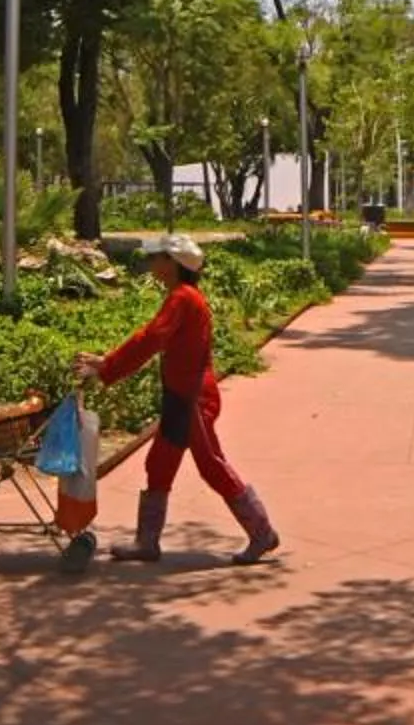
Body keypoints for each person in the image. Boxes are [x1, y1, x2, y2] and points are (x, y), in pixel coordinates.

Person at [72, 232, 280, 564]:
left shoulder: (183, 298)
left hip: (191, 397)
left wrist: (108, 365)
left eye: (156, 257)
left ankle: (261, 531)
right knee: (159, 463)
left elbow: (151, 338)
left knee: (211, 465)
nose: (151, 262)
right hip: (181, 393)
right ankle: (147, 543)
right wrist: (107, 363)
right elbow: (151, 340)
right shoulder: (183, 296)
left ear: (172, 264)